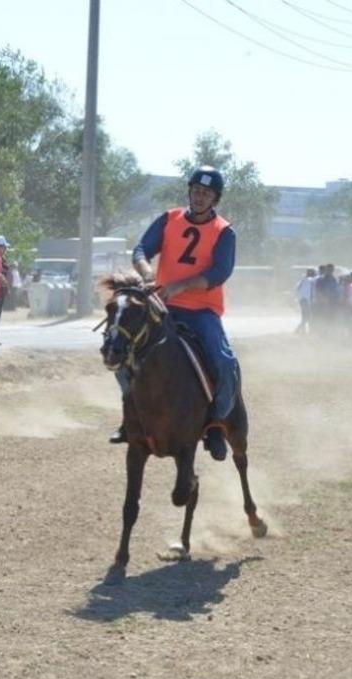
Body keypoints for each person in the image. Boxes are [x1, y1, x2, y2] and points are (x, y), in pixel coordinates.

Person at [112, 165, 239, 461]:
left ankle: (216, 424)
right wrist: (145, 273)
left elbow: (220, 272)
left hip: (202, 311)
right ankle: (130, 415)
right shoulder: (169, 219)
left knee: (224, 362)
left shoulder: (224, 232)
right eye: (196, 190)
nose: (199, 197)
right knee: (120, 352)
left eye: (206, 193)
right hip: (162, 306)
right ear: (189, 192)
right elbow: (142, 249)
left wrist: (181, 286)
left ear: (215, 198)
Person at [295, 268, 315, 334]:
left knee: (305, 316)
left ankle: (302, 330)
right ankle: (301, 330)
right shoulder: (312, 280)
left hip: (302, 300)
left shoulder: (302, 280)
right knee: (308, 316)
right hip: (307, 300)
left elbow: (297, 288)